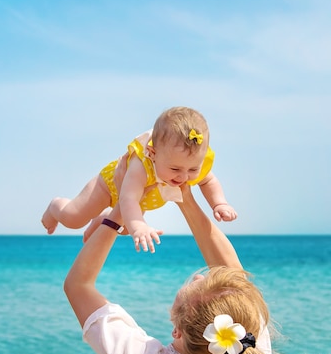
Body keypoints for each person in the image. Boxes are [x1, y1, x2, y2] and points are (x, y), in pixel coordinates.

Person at [64, 185, 288, 354]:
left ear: (177, 332)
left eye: (196, 284)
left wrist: (118, 213)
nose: (200, 278)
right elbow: (234, 277)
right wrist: (184, 196)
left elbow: (78, 285)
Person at [42, 106, 237, 253]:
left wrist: (219, 204)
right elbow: (128, 199)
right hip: (110, 186)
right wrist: (141, 226)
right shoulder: (140, 167)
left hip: (137, 200)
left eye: (192, 169)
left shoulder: (189, 163)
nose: (184, 177)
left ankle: (103, 220)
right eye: (175, 169)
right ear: (153, 153)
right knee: (74, 218)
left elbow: (208, 181)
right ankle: (55, 206)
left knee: (126, 229)